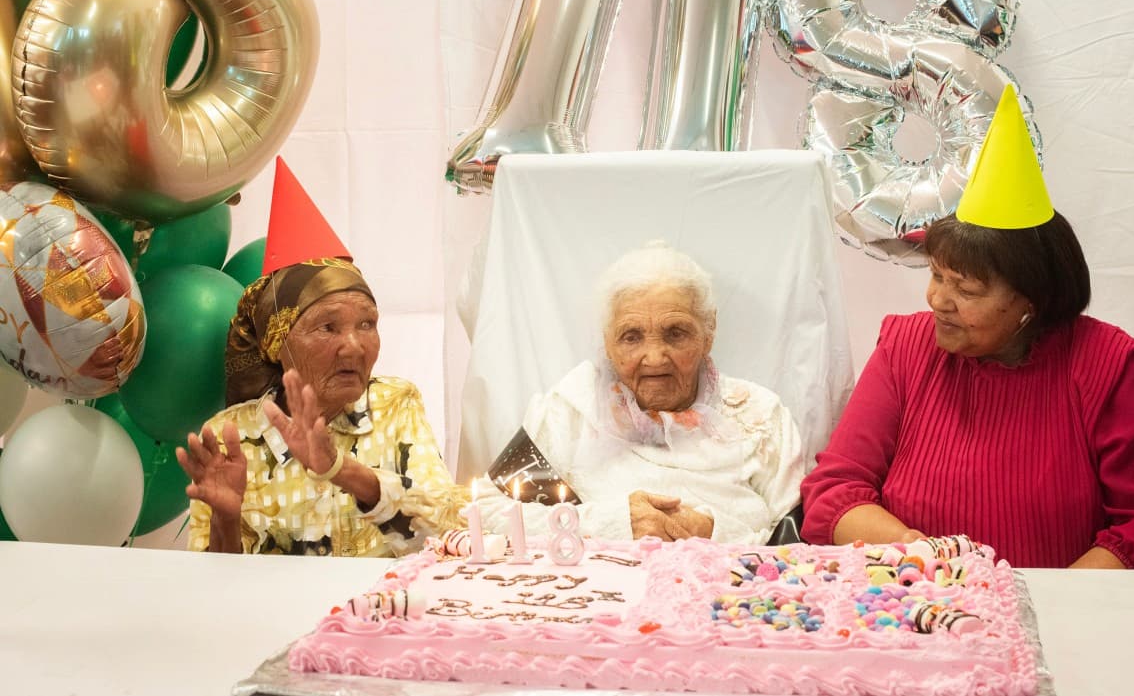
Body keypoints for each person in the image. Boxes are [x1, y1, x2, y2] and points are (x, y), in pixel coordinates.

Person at [800, 86, 1134, 569]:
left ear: (1031, 301)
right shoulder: (905, 347)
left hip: (1066, 627)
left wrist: (1047, 606)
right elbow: (834, 490)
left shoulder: (1111, 368)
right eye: (936, 276)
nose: (937, 301)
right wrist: (926, 556)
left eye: (965, 290)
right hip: (926, 603)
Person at [176, 160, 468, 555]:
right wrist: (226, 519)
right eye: (328, 327)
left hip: (382, 613)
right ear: (279, 344)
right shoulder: (233, 436)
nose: (354, 346)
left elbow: (447, 535)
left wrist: (341, 470)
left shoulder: (396, 405)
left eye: (367, 324)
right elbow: (216, 592)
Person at [477, 242, 806, 544]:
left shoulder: (759, 414)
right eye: (631, 336)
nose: (655, 357)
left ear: (709, 331)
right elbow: (487, 513)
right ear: (607, 340)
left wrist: (711, 531)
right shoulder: (571, 408)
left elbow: (797, 539)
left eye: (675, 333)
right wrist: (612, 523)